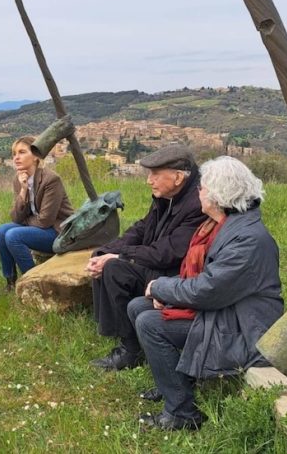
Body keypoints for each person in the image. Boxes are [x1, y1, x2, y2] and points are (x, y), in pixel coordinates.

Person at [128, 156, 283, 431]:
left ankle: (182, 414)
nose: (197, 192)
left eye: (201, 187)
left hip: (243, 329)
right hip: (225, 312)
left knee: (150, 323)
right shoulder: (226, 225)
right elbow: (203, 280)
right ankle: (174, 386)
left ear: (217, 194)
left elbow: (208, 290)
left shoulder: (247, 239)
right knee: (140, 306)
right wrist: (165, 290)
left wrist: (162, 286)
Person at [87, 144, 206, 370]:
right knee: (102, 257)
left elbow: (167, 253)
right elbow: (142, 229)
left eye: (154, 175)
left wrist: (120, 256)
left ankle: (130, 350)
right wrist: (107, 250)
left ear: (178, 177)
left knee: (114, 268)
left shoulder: (195, 204)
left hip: (175, 276)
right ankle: (115, 328)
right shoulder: (168, 195)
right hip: (158, 266)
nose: (148, 180)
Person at [0, 136, 74, 290]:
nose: (16, 158)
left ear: (36, 156)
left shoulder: (51, 179)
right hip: (39, 228)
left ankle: (32, 284)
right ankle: (10, 282)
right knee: (1, 231)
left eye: (22, 152)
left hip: (59, 232)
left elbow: (46, 221)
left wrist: (25, 221)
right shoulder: (18, 180)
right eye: (14, 153)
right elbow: (16, 218)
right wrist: (24, 190)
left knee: (13, 235)